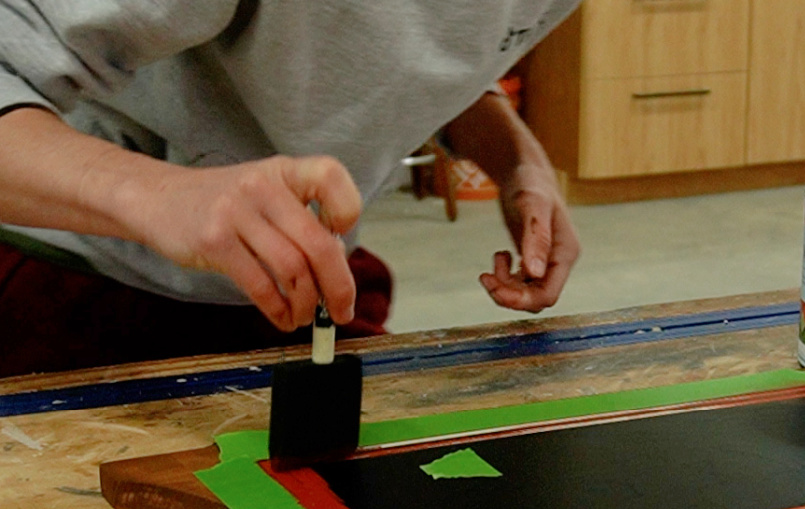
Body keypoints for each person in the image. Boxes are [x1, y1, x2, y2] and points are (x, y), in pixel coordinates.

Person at [0, 1, 583, 377]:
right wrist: (153, 195)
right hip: (73, 276)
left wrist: (517, 161)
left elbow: (419, 55)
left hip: (305, 290)